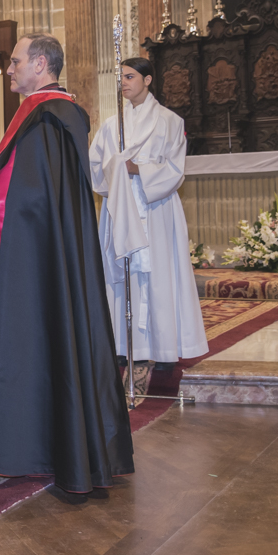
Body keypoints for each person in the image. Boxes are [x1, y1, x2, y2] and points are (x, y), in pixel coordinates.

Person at [0, 34, 133, 498]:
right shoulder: (44, 115)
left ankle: (39, 449)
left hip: (35, 256)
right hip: (42, 251)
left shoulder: (50, 117)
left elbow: (32, 196)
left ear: (40, 64)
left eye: (16, 61)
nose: (9, 69)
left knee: (38, 337)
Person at [89, 57, 208, 374]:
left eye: (130, 77)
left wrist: (138, 169)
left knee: (159, 274)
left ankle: (165, 348)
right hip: (121, 207)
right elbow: (94, 166)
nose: (124, 83)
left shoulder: (170, 121)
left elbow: (175, 168)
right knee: (122, 273)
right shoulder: (111, 125)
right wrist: (114, 169)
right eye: (121, 78)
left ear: (148, 79)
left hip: (156, 208)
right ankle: (124, 345)